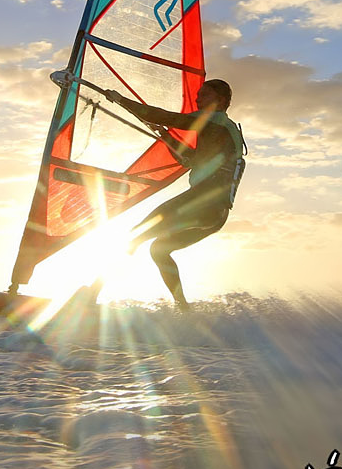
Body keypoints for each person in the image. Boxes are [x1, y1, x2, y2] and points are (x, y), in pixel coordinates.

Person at [105, 79, 245, 312]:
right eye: (198, 95)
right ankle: (184, 310)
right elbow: (188, 158)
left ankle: (91, 293)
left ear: (220, 101)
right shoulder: (220, 133)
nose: (198, 99)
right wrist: (164, 135)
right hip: (215, 217)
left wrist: (121, 100)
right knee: (159, 250)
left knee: (136, 235)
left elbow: (166, 117)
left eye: (204, 95)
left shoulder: (216, 120)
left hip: (204, 202)